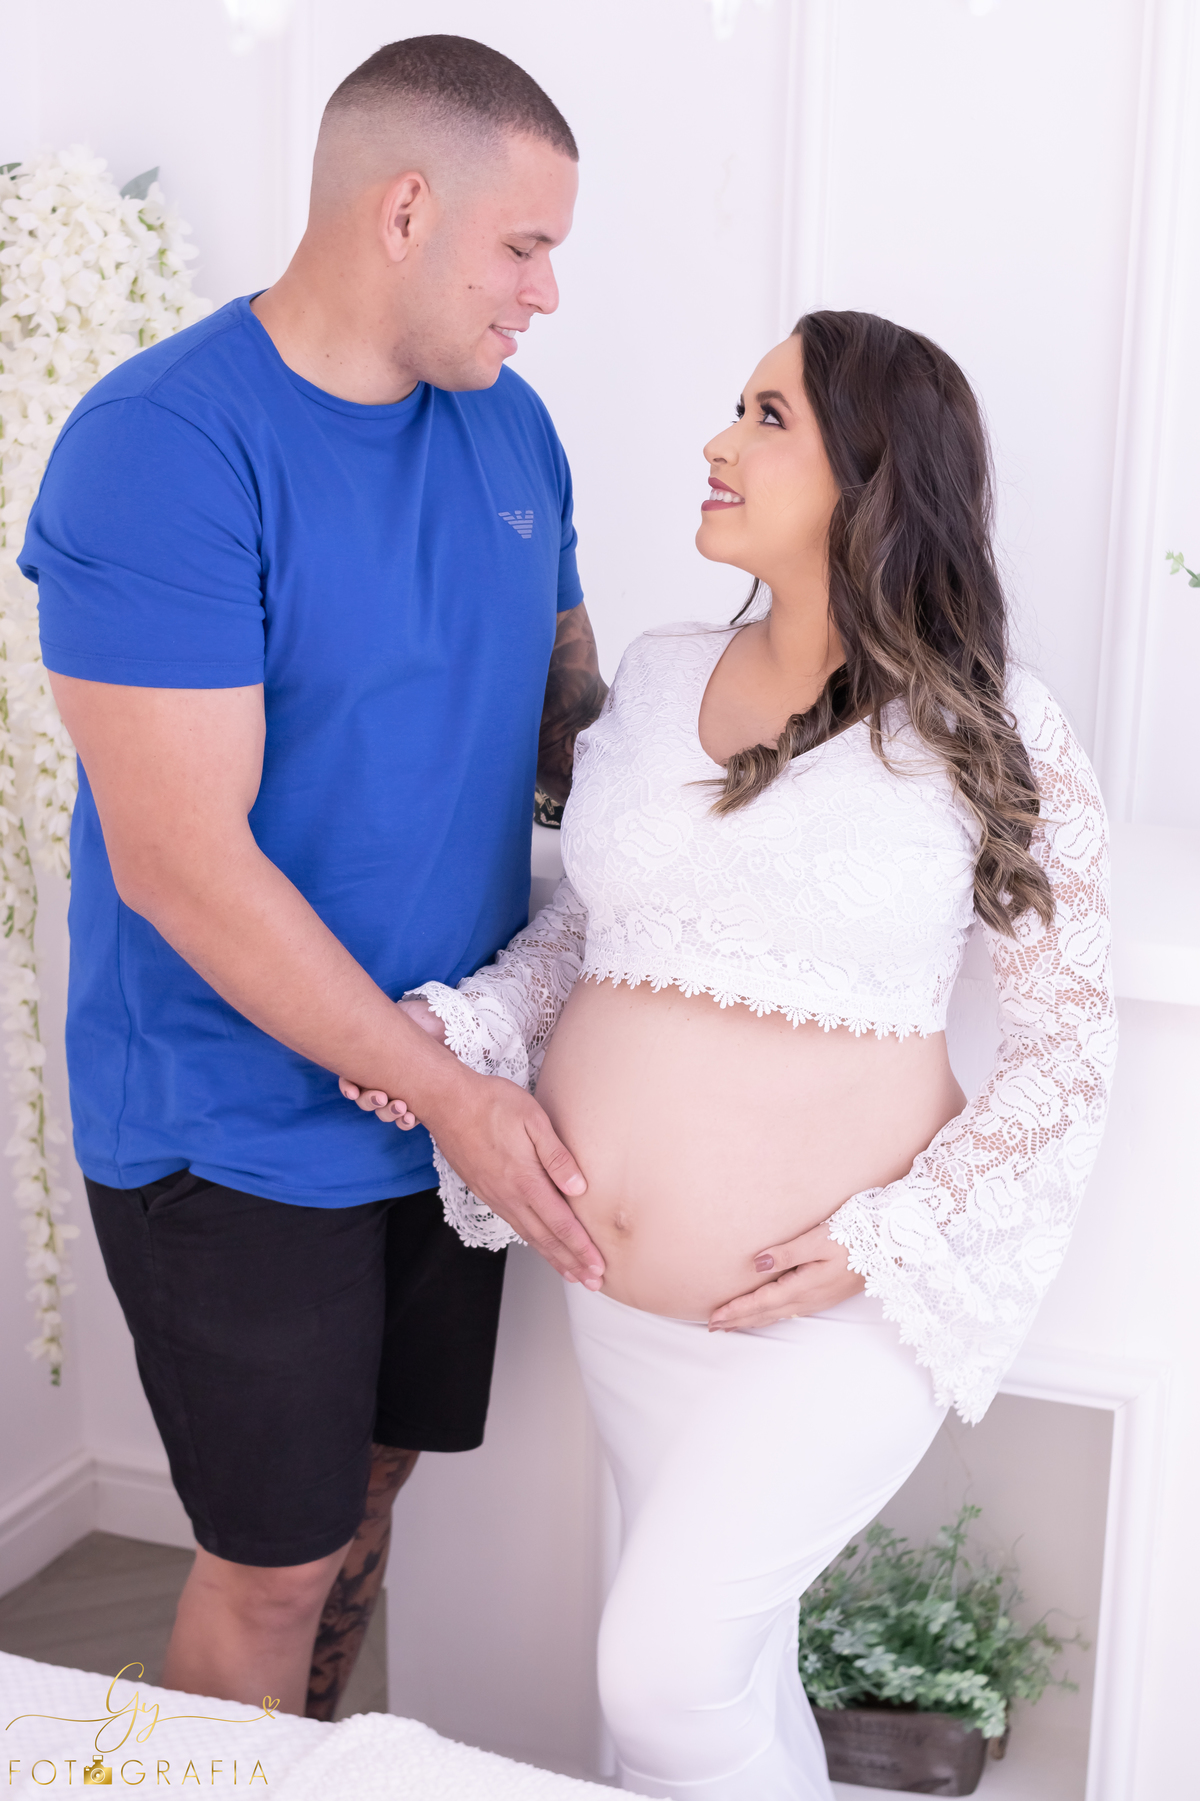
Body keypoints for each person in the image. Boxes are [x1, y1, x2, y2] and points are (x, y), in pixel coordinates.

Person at [349, 311, 1117, 1798]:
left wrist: (897, 1233)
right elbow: (594, 929)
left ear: (877, 473)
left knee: (662, 1673)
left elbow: (1070, 1045)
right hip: (625, 1311)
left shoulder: (993, 731)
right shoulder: (654, 669)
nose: (717, 443)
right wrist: (472, 1030)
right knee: (728, 1674)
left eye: (768, 417)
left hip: (828, 1316)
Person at [20, 35, 611, 1719]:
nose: (548, 293)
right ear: (405, 208)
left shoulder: (514, 436)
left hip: (447, 1093)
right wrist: (455, 1097)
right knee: (269, 1562)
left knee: (368, 1494)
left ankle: (303, 1762)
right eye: (526, 247)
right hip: (231, 1119)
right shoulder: (166, 450)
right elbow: (186, 867)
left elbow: (573, 731)